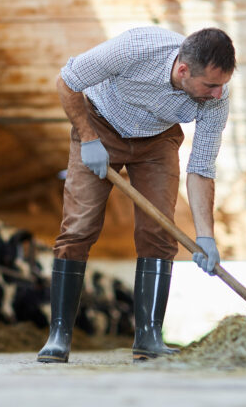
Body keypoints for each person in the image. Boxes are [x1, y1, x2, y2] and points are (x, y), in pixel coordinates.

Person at [37, 26, 235, 364]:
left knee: (158, 231)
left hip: (157, 142)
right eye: (211, 86)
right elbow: (67, 81)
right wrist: (87, 138)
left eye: (222, 85)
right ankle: (59, 335)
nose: (218, 94)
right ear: (183, 70)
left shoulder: (218, 97)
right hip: (99, 127)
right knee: (79, 227)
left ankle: (149, 338)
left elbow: (201, 167)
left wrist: (206, 236)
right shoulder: (135, 48)